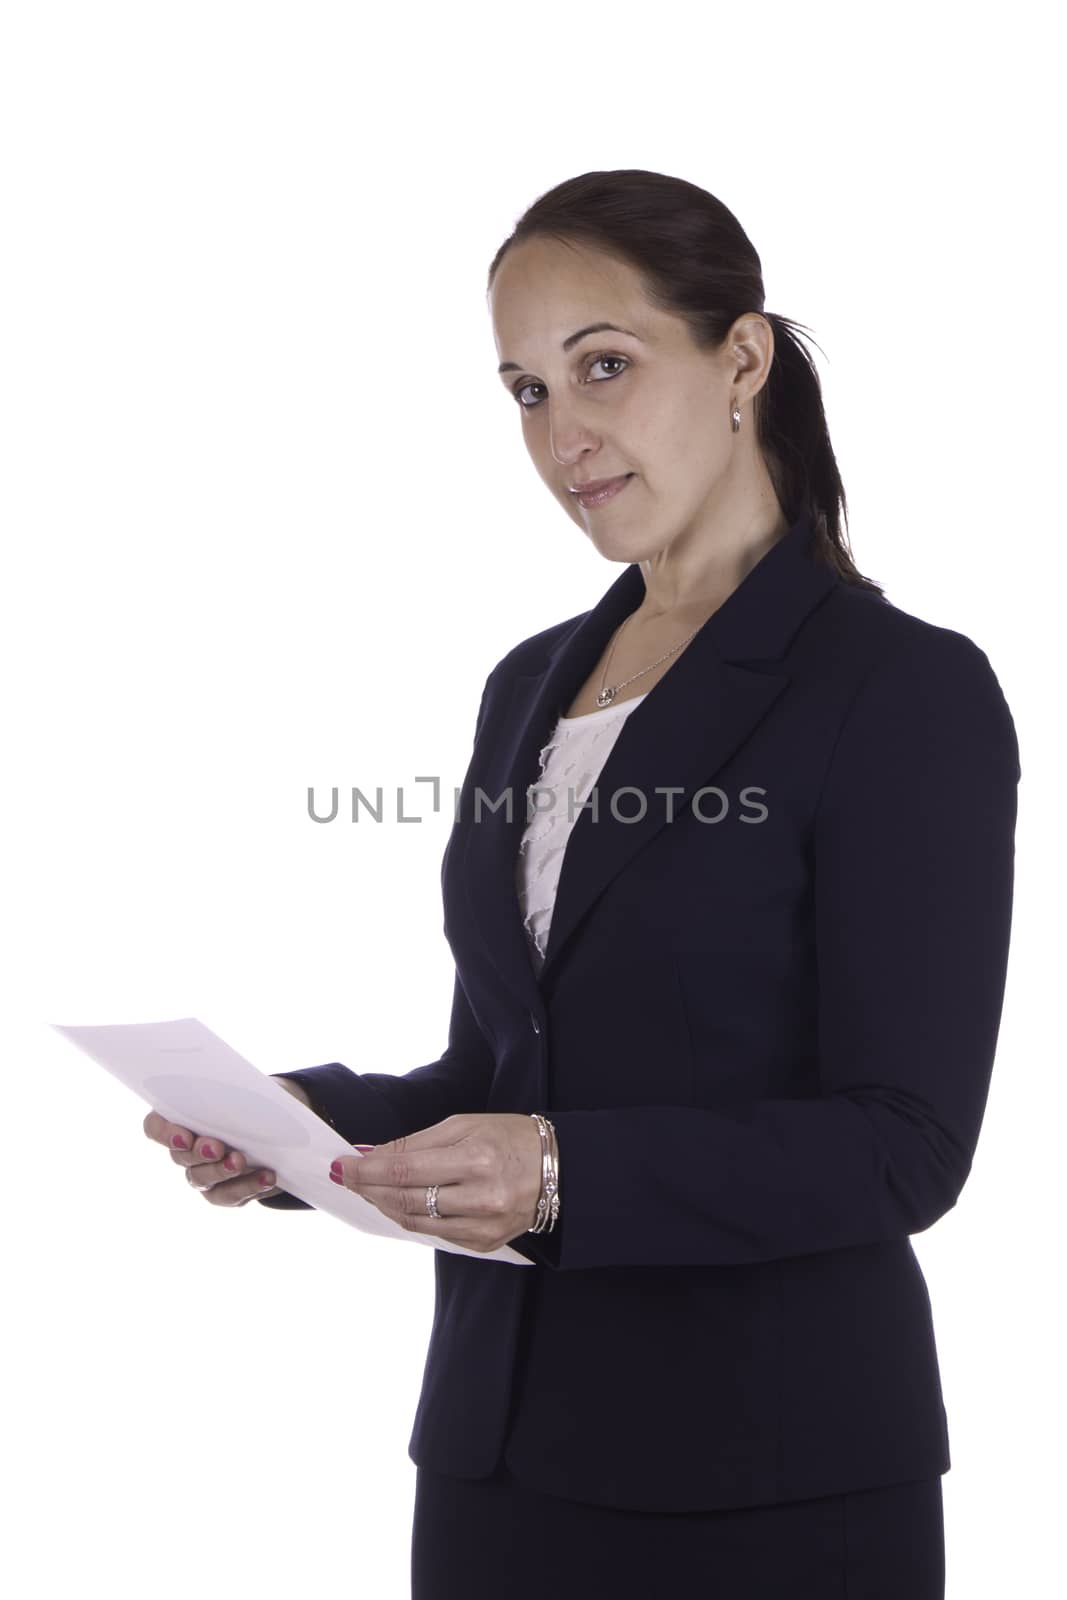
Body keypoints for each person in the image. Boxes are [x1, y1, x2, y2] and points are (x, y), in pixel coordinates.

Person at [143, 169, 1020, 1598]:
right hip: (498, 1467)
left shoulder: (900, 689)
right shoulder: (527, 688)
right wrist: (301, 1131)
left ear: (740, 358)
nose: (564, 434)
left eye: (602, 364)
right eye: (527, 392)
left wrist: (558, 1175)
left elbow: (904, 1144)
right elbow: (508, 1071)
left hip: (770, 1477)